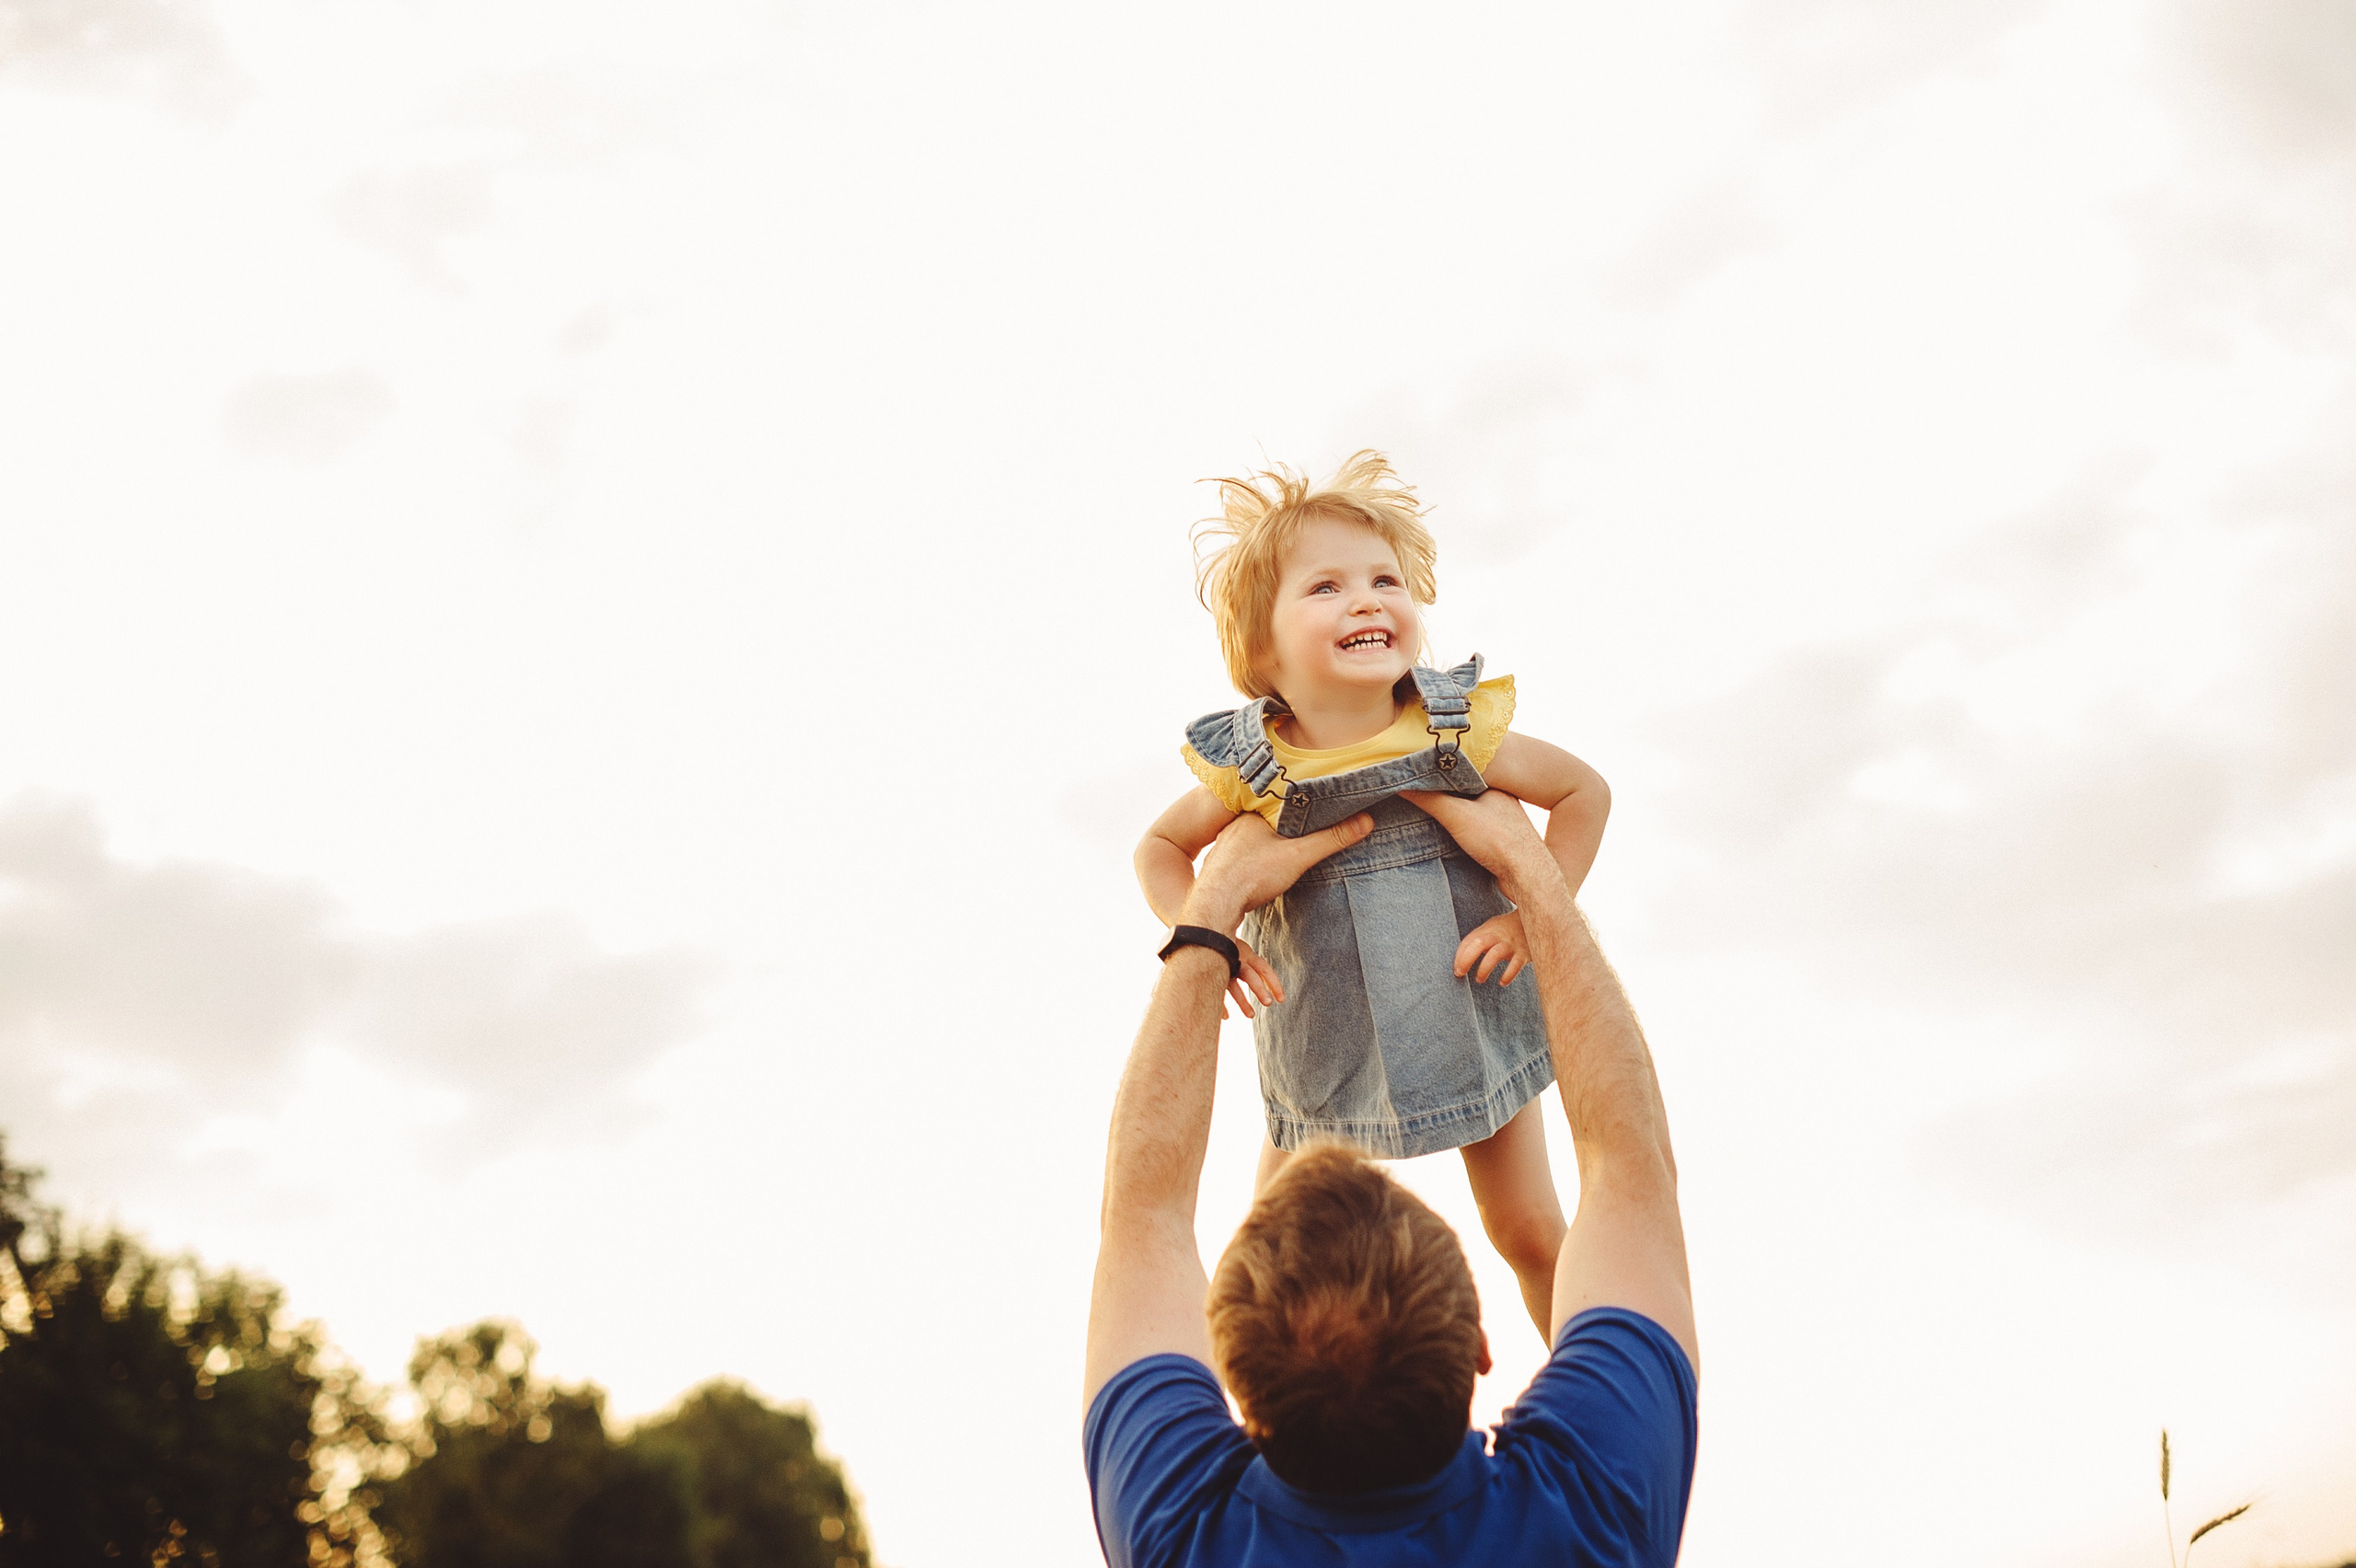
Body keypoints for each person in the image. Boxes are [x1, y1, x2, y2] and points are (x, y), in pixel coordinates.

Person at [1085, 788, 1697, 1566]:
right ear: (1482, 1341)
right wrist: (1531, 872)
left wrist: (1213, 906)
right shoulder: (1598, 1506)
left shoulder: (1178, 1531)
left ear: (1237, 1372)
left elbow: (1143, 1214)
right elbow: (1629, 1165)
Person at [1134, 452, 1611, 1337]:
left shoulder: (1452, 731)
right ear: (1262, 648)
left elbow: (1584, 794)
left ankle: (1582, 1405)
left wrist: (1532, 917)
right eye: (1327, 587)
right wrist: (1208, 937)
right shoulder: (1257, 765)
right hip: (1323, 1048)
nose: (1367, 600)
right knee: (1264, 1257)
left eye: (1386, 580)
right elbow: (1161, 847)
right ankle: (1253, 1427)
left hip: (1470, 1021)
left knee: (1530, 1230)